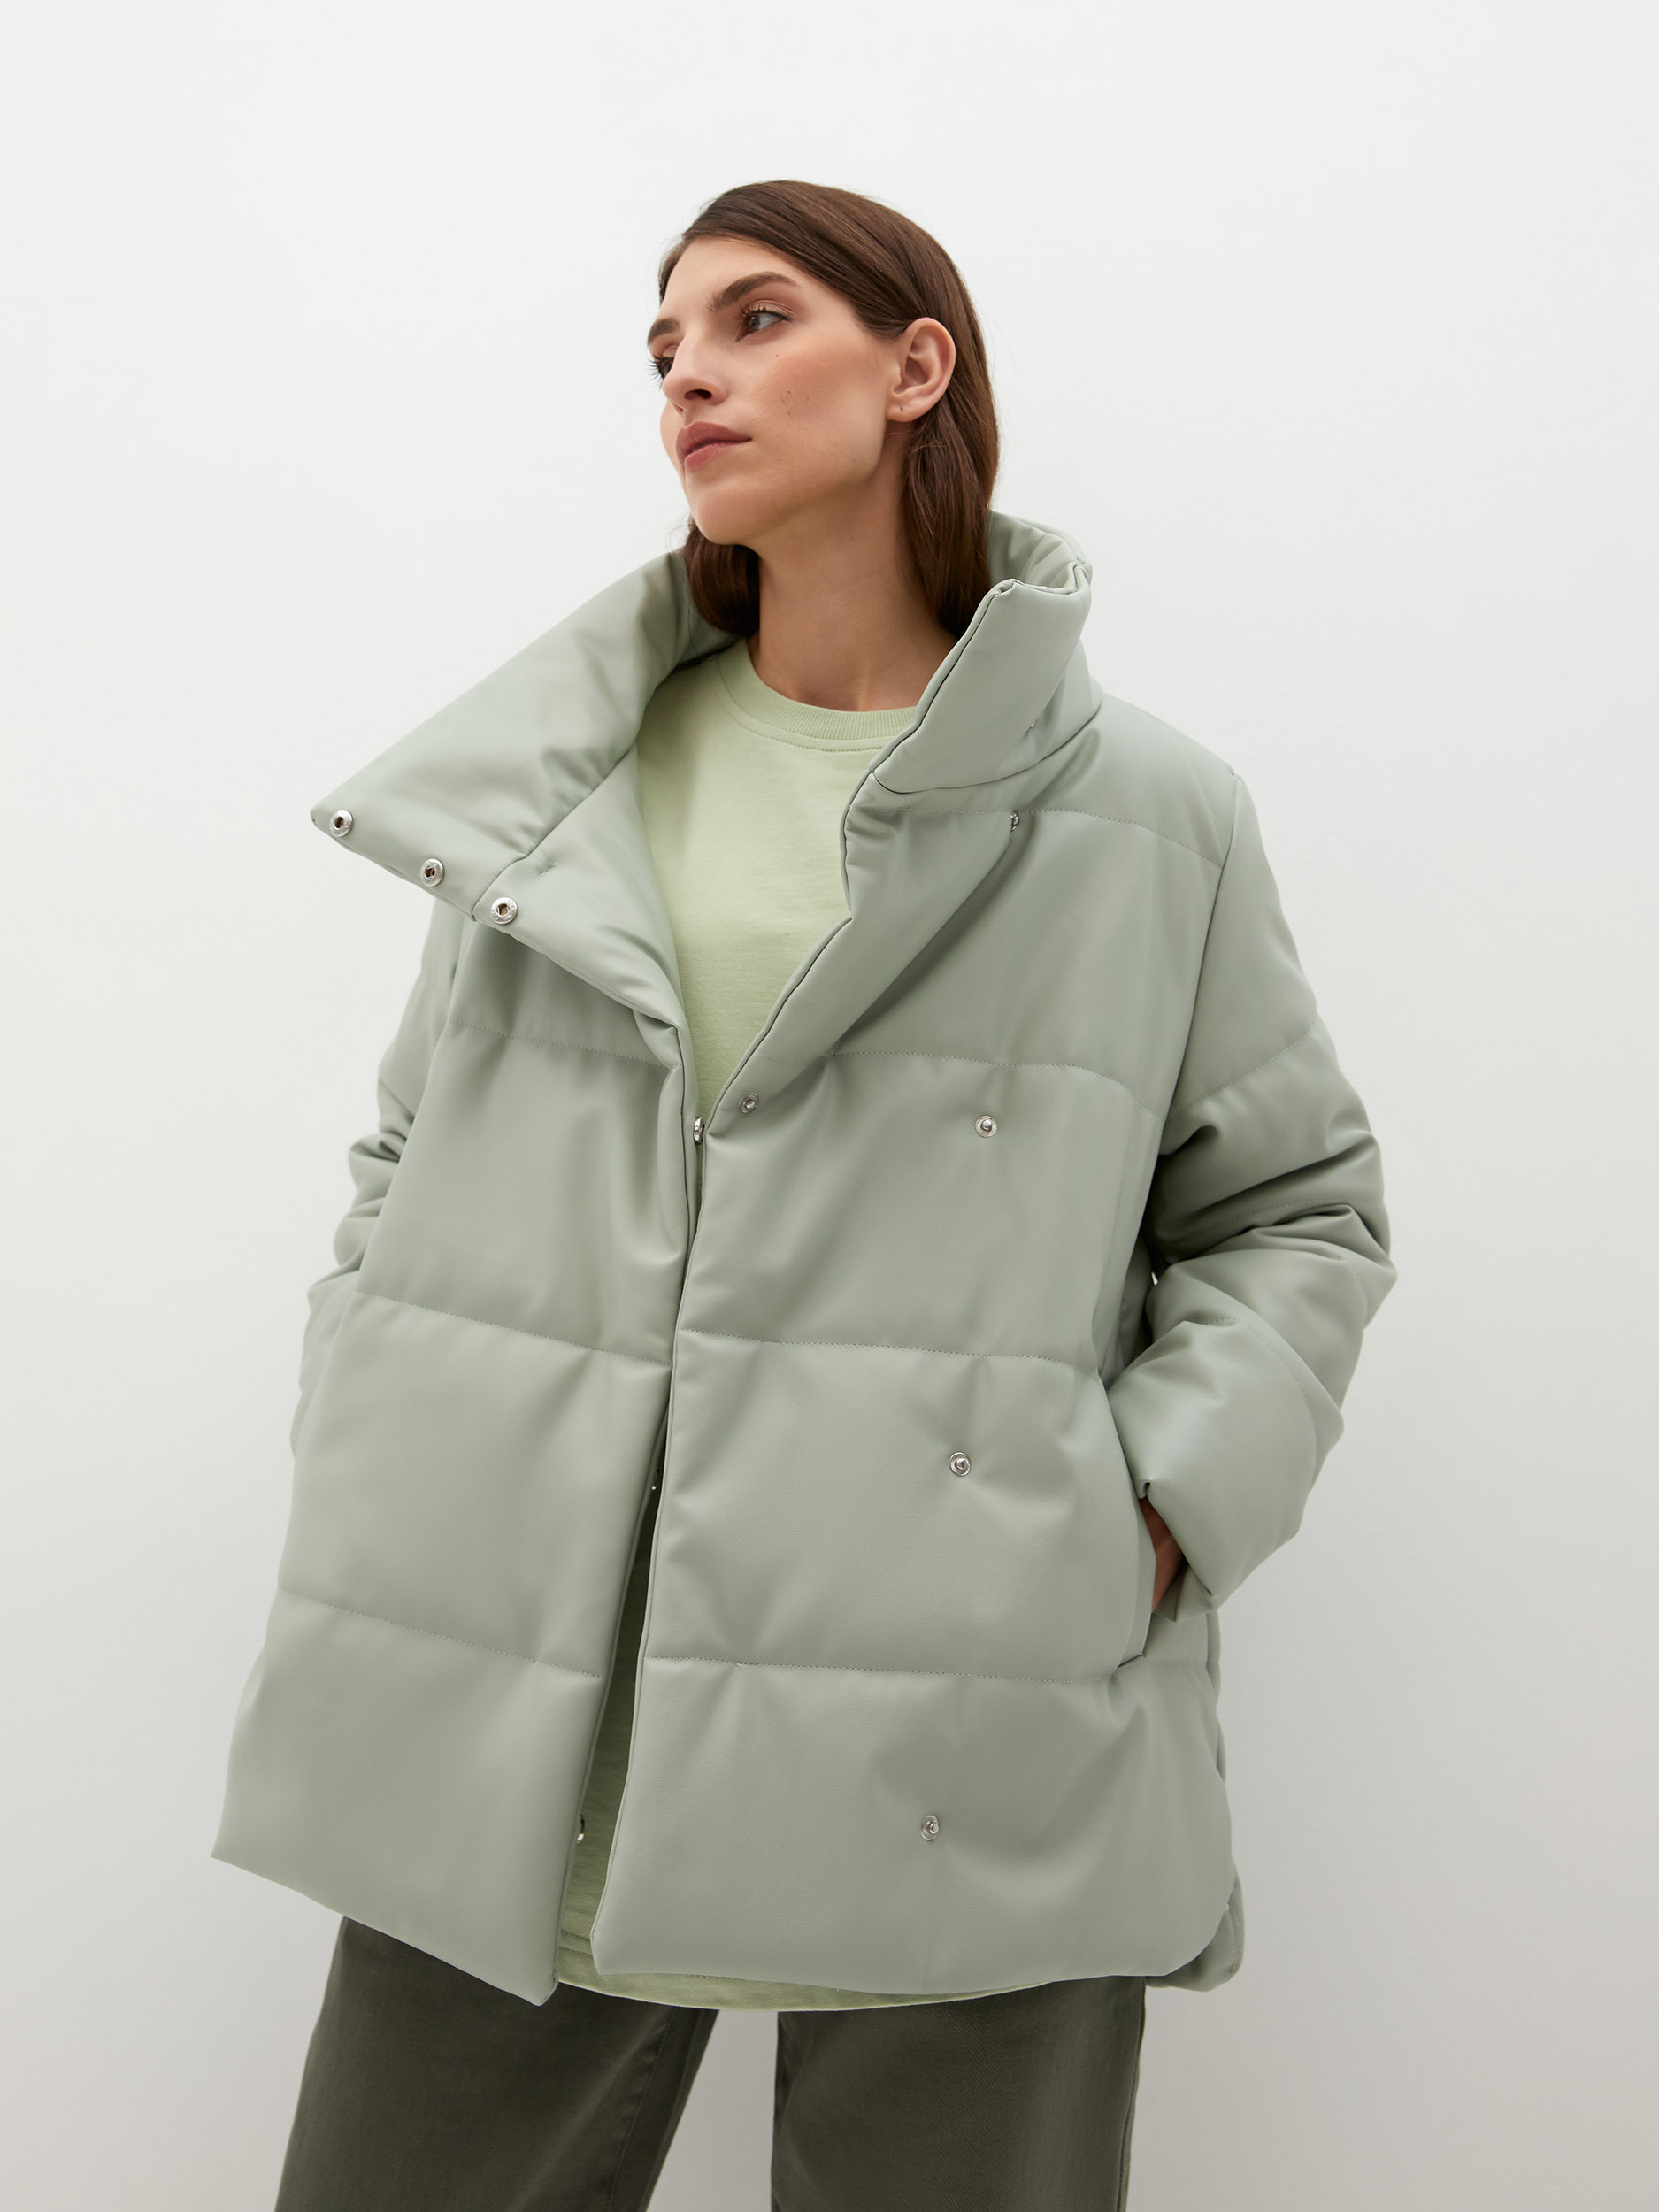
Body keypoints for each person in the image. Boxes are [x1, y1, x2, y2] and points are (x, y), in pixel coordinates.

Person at [214, 178, 1397, 2210]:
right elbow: (412, 1147)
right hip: (526, 1660)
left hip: (961, 1690)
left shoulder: (1145, 815)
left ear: (914, 366)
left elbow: (1291, 1212)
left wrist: (1131, 1524)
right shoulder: (554, 781)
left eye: (754, 319)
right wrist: (379, 1397)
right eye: (663, 343)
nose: (690, 372)